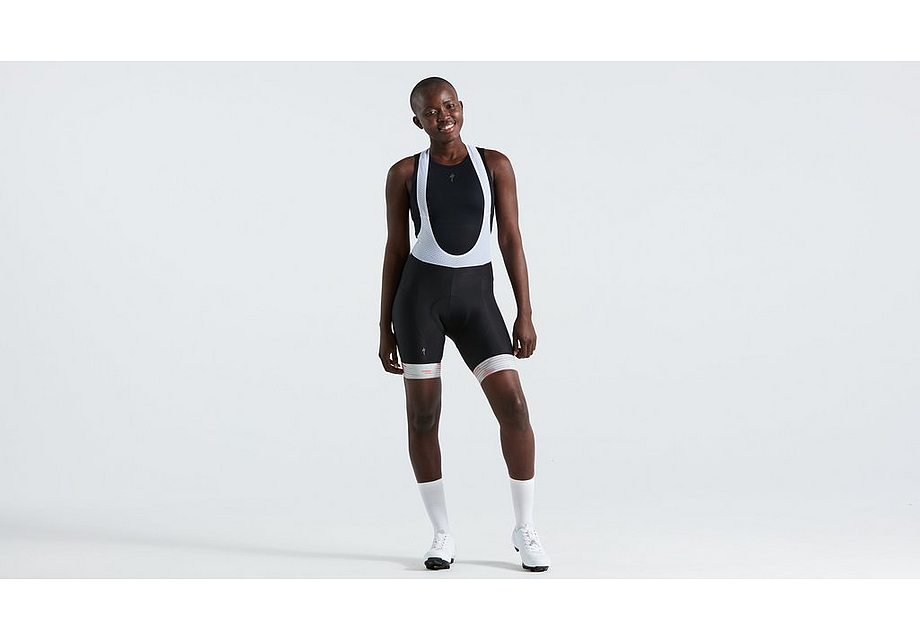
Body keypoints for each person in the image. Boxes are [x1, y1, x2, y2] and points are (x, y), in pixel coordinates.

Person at [378, 77, 550, 572]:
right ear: (417, 121)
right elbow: (395, 249)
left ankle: (524, 527)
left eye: (449, 105)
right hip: (419, 304)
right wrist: (384, 325)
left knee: (514, 407)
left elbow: (511, 239)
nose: (444, 116)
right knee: (423, 417)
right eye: (431, 112)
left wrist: (525, 311)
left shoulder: (494, 164)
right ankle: (441, 533)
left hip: (478, 303)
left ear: (461, 106)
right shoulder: (405, 173)